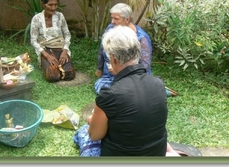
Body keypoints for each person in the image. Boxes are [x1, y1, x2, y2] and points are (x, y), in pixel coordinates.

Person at [74, 25, 179, 156]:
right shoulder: (158, 84)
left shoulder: (109, 95)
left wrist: (91, 120)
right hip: (156, 154)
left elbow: (95, 135)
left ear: (113, 58)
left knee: (84, 132)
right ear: (137, 53)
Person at [94, 3, 152, 94]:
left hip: (133, 78)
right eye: (112, 18)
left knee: (122, 92)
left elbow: (145, 66)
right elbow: (102, 49)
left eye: (116, 19)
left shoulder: (141, 38)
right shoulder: (111, 29)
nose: (112, 21)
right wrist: (99, 68)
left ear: (127, 19)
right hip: (109, 77)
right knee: (103, 88)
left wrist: (119, 71)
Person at [30, 0, 75, 82]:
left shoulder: (60, 16)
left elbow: (67, 35)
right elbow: (33, 40)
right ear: (43, 4)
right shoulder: (36, 19)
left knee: (69, 74)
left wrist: (64, 51)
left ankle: (60, 63)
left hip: (60, 48)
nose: (54, 8)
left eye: (56, 4)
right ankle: (47, 63)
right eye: (50, 5)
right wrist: (47, 55)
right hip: (45, 49)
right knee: (53, 77)